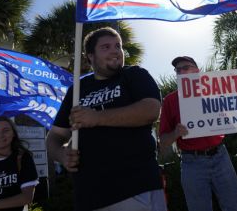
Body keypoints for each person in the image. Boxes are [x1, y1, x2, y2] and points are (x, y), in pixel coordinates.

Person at [46, 27, 165, 211]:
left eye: (118, 46)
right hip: (89, 196)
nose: (115, 51)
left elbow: (151, 110)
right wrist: (62, 155)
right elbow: (54, 136)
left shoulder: (134, 75)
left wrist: (97, 117)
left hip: (136, 189)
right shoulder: (78, 89)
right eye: (106, 47)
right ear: (90, 56)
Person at [159, 56, 237, 211]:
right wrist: (176, 133)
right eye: (177, 70)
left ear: (197, 71)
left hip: (220, 156)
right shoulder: (170, 101)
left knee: (235, 206)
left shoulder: (214, 91)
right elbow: (164, 141)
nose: (181, 72)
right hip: (191, 162)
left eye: (185, 67)